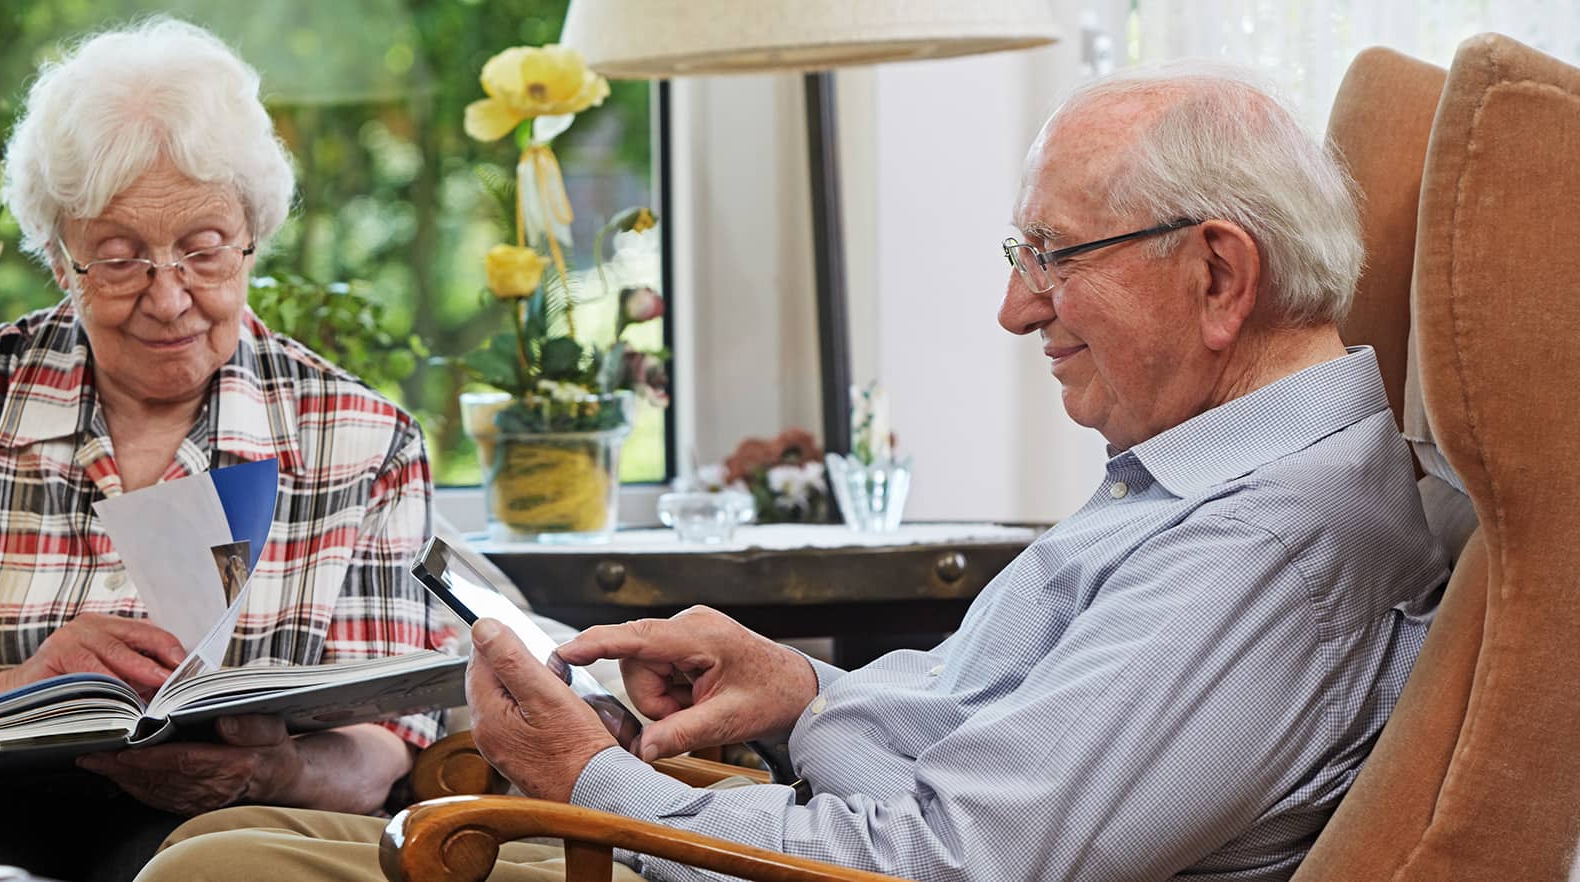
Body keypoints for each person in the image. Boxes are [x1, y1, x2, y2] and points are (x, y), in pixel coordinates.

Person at [136, 62, 1447, 882]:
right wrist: (803, 692)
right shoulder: (1206, 477)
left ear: (1217, 274)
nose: (1014, 308)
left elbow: (951, 863)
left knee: (228, 865)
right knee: (221, 848)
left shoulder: (1268, 544)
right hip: (799, 826)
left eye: (1051, 252)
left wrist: (592, 784)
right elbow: (990, 759)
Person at [0, 17, 440, 882]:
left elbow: (391, 743)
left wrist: (275, 768)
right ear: (57, 259)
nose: (168, 299)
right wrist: (27, 685)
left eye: (203, 251)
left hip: (216, 843)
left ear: (252, 236)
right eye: (118, 260)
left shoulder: (361, 437)